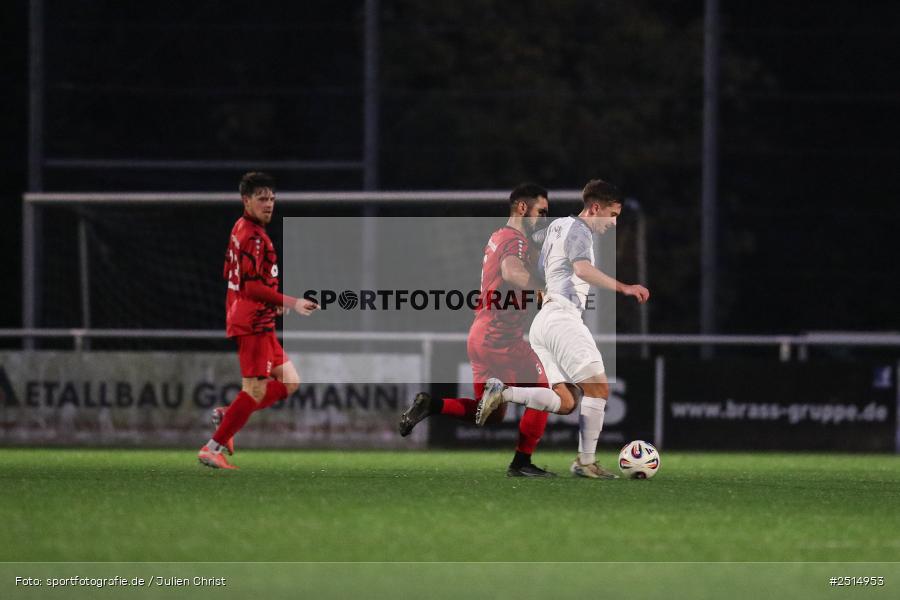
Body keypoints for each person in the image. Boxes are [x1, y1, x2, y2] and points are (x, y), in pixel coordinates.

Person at [475, 179, 650, 479]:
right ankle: (586, 462)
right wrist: (624, 287)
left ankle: (503, 392)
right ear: (595, 208)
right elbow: (581, 269)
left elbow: (533, 246)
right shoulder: (580, 231)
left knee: (567, 401)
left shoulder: (555, 227)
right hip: (562, 319)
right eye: (613, 214)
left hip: (542, 323)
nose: (614, 222)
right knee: (600, 389)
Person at [398, 183, 555, 477]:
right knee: (543, 393)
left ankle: (432, 405)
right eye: (541, 211)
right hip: (501, 337)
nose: (544, 218)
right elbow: (511, 272)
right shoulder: (516, 239)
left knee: (491, 414)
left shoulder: (497, 236)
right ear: (522, 208)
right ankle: (521, 463)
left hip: (480, 334)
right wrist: (542, 289)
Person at [198, 172, 318, 469]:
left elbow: (231, 276)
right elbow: (251, 287)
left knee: (290, 381)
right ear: (246, 200)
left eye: (272, 198)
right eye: (261, 198)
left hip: (258, 317)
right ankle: (212, 447)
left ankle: (229, 415)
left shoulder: (240, 228)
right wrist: (291, 302)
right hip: (252, 322)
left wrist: (270, 302)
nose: (269, 204)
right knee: (254, 390)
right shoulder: (254, 237)